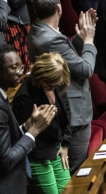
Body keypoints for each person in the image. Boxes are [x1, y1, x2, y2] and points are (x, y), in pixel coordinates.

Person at [0, 45, 56, 194]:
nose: (20, 72)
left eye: (20, 66)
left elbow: (0, 141)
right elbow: (5, 160)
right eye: (14, 68)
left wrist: (27, 126)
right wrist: (34, 132)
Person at [28, 0, 98, 173]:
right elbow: (85, 69)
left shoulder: (37, 30)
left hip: (64, 109)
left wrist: (80, 37)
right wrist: (89, 40)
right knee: (75, 171)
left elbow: (67, 57)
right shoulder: (51, 39)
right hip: (72, 114)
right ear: (59, 8)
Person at [12, 53, 72, 194]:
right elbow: (19, 134)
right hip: (38, 155)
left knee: (69, 191)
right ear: (42, 78)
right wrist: (32, 122)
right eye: (51, 85)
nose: (55, 87)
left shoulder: (58, 84)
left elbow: (67, 115)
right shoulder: (24, 97)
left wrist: (65, 144)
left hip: (57, 147)